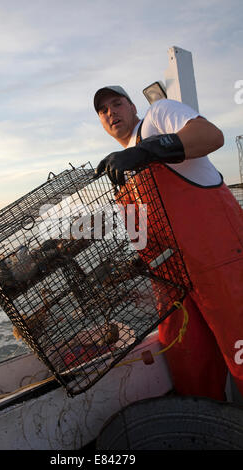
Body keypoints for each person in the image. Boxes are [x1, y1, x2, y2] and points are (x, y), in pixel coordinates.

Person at [93, 85, 243, 401]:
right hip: (173, 283)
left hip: (222, 265)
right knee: (190, 368)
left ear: (133, 107)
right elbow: (152, 238)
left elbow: (212, 136)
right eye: (103, 111)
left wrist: (147, 150)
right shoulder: (120, 168)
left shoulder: (159, 117)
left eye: (117, 104)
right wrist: (129, 267)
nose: (111, 113)